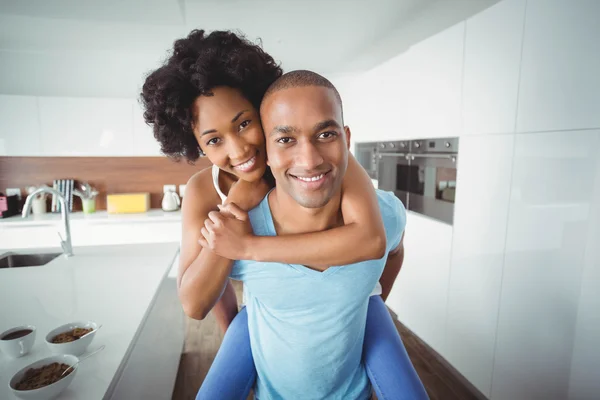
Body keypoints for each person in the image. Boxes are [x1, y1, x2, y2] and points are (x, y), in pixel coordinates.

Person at [141, 30, 427, 399]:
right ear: (196, 144)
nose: (240, 148)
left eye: (244, 123)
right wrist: (237, 204)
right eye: (214, 140)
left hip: (338, 291)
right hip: (257, 299)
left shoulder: (323, 156)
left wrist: (368, 299)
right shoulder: (203, 189)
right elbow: (197, 299)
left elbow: (373, 239)